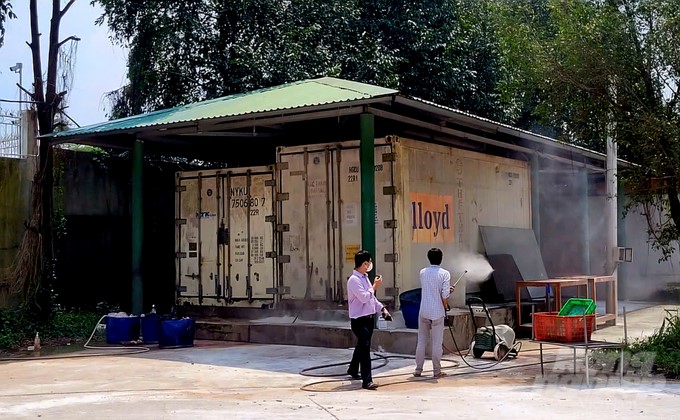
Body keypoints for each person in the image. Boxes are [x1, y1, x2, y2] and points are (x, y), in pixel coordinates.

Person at [346, 250, 391, 390]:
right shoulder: (354, 280)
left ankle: (353, 369)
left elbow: (371, 299)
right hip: (359, 320)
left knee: (362, 346)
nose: (370, 265)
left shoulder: (364, 278)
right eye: (369, 262)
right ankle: (367, 380)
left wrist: (382, 309)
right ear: (365, 264)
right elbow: (365, 297)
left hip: (368, 319)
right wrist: (375, 286)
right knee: (365, 349)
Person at [414, 248, 452, 378]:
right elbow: (444, 295)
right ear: (441, 258)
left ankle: (418, 370)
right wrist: (446, 303)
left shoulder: (422, 272)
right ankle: (437, 371)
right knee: (437, 343)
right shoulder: (445, 274)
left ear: (428, 258)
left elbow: (430, 288)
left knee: (421, 341)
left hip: (424, 310)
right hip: (437, 312)